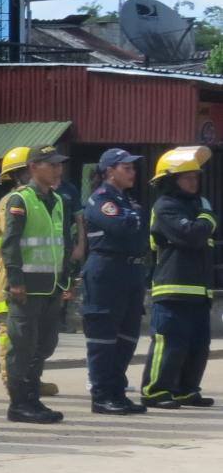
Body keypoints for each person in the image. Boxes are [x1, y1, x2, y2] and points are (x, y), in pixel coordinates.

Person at [0, 145, 73, 424]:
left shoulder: (58, 200)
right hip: (26, 288)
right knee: (22, 346)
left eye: (59, 164)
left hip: (51, 286)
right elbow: (10, 244)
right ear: (33, 168)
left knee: (45, 344)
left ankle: (33, 398)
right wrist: (15, 281)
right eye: (50, 164)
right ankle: (20, 403)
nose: (57, 169)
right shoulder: (20, 200)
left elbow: (63, 243)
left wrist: (66, 279)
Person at [139, 146, 216, 410]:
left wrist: (203, 218)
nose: (193, 182)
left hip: (199, 289)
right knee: (169, 343)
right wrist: (207, 217)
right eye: (187, 177)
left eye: (196, 177)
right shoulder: (166, 207)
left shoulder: (193, 206)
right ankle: (155, 390)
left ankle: (186, 390)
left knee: (198, 345)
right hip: (172, 288)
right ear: (172, 180)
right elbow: (193, 235)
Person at [82, 148, 149, 415]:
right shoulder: (101, 198)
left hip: (130, 272)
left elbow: (140, 228)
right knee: (104, 337)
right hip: (106, 270)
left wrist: (133, 217)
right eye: (126, 168)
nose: (132, 173)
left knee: (127, 335)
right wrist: (132, 217)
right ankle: (101, 395)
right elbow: (121, 226)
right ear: (110, 171)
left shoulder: (128, 201)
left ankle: (117, 391)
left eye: (133, 168)